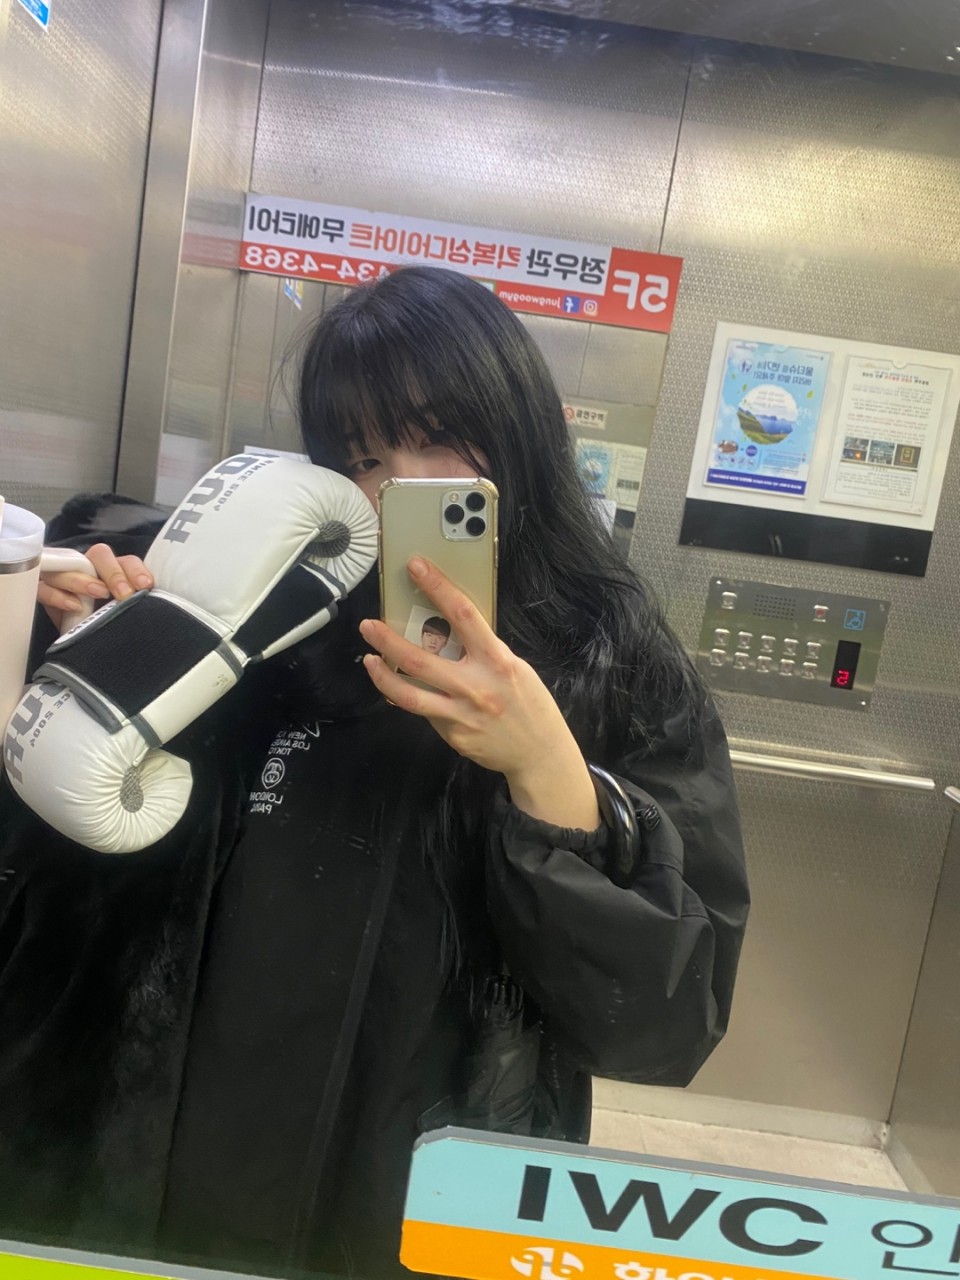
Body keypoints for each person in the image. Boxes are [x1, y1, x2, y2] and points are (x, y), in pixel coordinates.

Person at [1, 267, 749, 1280]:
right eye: (360, 456)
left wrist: (547, 772)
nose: (398, 488)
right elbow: (82, 893)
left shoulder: (616, 665)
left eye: (440, 438)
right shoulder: (272, 610)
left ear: (520, 431)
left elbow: (667, 1024)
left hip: (411, 1199)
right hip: (157, 1165)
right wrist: (116, 669)